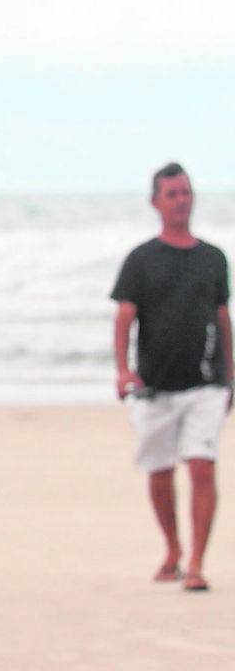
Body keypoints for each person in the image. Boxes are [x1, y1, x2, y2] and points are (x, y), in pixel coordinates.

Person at [112, 162, 230, 592]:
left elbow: (222, 318)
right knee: (160, 473)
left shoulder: (213, 258)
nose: (182, 200)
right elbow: (125, 316)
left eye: (186, 192)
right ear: (155, 202)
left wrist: (229, 377)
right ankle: (174, 549)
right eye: (172, 194)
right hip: (154, 385)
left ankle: (197, 562)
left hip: (206, 384)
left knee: (201, 467)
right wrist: (123, 368)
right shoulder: (141, 260)